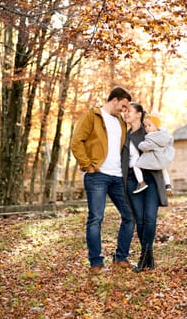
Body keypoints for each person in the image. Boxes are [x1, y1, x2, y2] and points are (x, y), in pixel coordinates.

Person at [70, 86, 134, 271]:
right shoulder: (93, 116)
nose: (124, 110)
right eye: (122, 105)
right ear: (114, 100)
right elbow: (76, 141)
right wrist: (87, 165)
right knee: (96, 218)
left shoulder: (121, 122)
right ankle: (96, 262)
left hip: (118, 177)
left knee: (130, 215)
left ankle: (120, 257)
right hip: (97, 175)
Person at [122, 102, 170, 273]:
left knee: (150, 218)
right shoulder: (124, 135)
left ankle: (145, 256)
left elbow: (165, 148)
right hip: (131, 180)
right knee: (140, 219)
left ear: (139, 114)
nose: (125, 113)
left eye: (129, 111)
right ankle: (147, 257)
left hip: (151, 178)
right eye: (124, 110)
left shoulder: (150, 131)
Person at [131, 113, 175, 197]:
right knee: (164, 169)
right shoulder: (165, 135)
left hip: (154, 158)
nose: (146, 128)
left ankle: (141, 182)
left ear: (156, 126)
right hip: (162, 157)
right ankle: (168, 185)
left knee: (136, 165)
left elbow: (146, 146)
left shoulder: (151, 136)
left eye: (149, 125)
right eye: (145, 126)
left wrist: (140, 144)